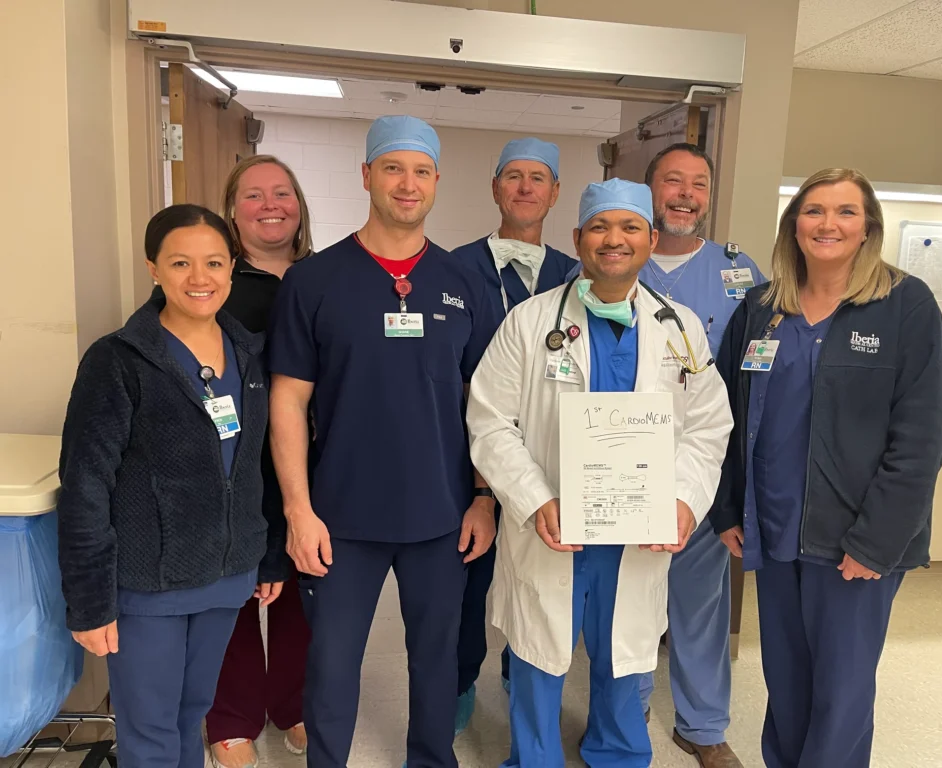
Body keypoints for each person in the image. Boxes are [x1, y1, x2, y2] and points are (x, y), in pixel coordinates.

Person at [466, 178, 733, 767]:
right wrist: (535, 499)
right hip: (552, 526)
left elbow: (709, 427)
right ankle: (533, 759)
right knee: (540, 653)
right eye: (600, 227)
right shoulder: (530, 323)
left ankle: (617, 754)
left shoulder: (681, 327)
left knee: (626, 653)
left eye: (630, 227)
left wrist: (685, 500)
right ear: (578, 239)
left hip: (637, 532)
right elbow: (488, 422)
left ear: (650, 238)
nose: (615, 239)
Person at [268, 115, 503, 768]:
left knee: (437, 658)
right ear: (367, 175)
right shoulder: (314, 282)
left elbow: (481, 402)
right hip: (341, 516)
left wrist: (483, 498)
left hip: (442, 514)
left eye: (422, 171)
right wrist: (298, 509)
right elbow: (288, 399)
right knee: (334, 662)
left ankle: (431, 759)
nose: (408, 184)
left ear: (436, 183)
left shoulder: (461, 285)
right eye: (394, 168)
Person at [711, 168, 942, 768]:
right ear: (794, 225)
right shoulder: (762, 307)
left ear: (868, 225)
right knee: (787, 683)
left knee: (841, 694)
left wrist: (877, 541)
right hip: (773, 528)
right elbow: (723, 417)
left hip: (854, 539)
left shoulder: (904, 304)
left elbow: (921, 437)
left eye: (846, 211)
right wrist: (726, 508)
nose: (828, 224)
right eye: (814, 210)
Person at [56, 204, 289, 768]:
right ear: (153, 269)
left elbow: (257, 467)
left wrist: (268, 557)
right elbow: (85, 484)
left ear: (232, 267)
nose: (199, 278)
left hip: (224, 575)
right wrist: (89, 602)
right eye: (180, 263)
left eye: (213, 262)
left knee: (192, 714)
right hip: (146, 586)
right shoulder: (119, 361)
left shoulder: (249, 355)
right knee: (151, 730)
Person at [638, 142, 766, 766]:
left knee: (702, 604)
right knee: (627, 603)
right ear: (649, 190)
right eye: (672, 181)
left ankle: (703, 725)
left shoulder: (741, 274)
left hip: (707, 472)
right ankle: (626, 715)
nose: (686, 194)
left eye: (698, 183)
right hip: (624, 468)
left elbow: (763, 378)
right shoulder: (614, 255)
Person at [448, 137, 577, 730]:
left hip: (552, 460)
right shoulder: (452, 269)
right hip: (467, 455)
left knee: (539, 578)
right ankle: (458, 684)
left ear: (554, 194)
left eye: (538, 179)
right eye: (513, 177)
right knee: (468, 583)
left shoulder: (577, 276)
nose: (525, 187)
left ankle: (519, 672)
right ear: (495, 187)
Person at [205, 155, 315, 768]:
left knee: (305, 586)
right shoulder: (214, 282)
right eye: (254, 195)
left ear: (299, 204)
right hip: (236, 461)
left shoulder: (328, 276)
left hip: (315, 460)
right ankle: (232, 718)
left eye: (282, 193)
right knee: (237, 591)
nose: (270, 204)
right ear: (232, 211)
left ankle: (294, 705)